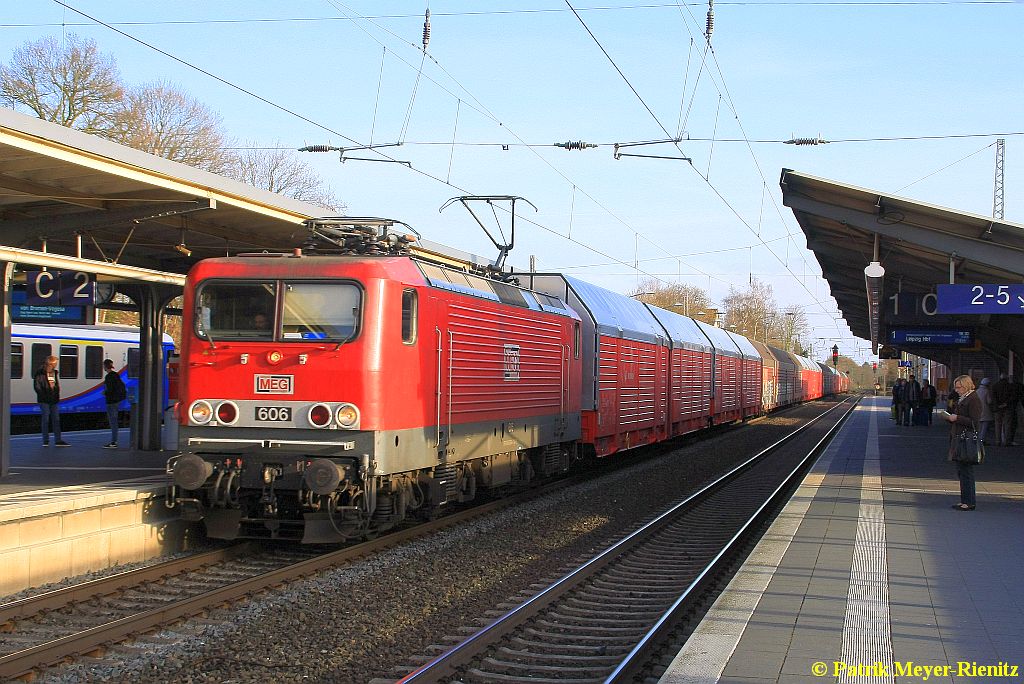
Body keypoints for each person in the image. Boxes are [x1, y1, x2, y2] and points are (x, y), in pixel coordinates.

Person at [945, 375, 984, 511]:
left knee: (966, 471)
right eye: (955, 387)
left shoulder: (973, 400)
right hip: (959, 438)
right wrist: (950, 417)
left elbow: (974, 422)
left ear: (967, 386)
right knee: (961, 471)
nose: (956, 390)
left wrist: (957, 418)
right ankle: (965, 500)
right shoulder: (963, 398)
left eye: (958, 387)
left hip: (966, 440)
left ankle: (969, 501)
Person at [33, 355, 70, 447]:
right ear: (51, 363)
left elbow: (56, 385)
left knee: (56, 420)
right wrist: (44, 395)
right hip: (44, 400)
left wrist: (56, 394)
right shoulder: (40, 373)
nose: (56, 365)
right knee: (45, 420)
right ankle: (46, 440)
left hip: (54, 400)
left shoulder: (54, 373)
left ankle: (58, 440)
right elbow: (37, 387)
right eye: (55, 363)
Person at [102, 359, 127, 449]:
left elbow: (110, 390)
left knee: (113, 422)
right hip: (117, 401)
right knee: (114, 422)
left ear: (105, 366)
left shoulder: (109, 377)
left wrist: (105, 393)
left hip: (111, 402)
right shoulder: (116, 375)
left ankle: (113, 442)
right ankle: (114, 441)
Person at [991, 372, 1014, 447]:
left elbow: (993, 397)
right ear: (1006, 378)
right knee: (1007, 424)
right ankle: (1007, 441)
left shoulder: (995, 386)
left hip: (997, 408)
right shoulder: (1010, 386)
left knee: (998, 424)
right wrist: (1006, 403)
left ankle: (998, 441)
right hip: (1008, 407)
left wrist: (997, 405)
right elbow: (1012, 397)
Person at [976, 377, 994, 445]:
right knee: (985, 428)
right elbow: (989, 401)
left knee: (979, 427)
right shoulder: (987, 391)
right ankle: (982, 440)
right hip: (986, 411)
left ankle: (978, 439)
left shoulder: (977, 391)